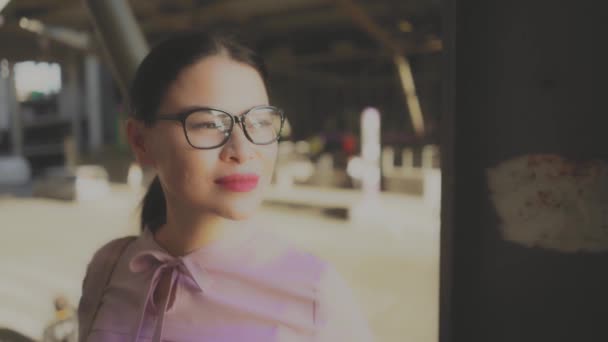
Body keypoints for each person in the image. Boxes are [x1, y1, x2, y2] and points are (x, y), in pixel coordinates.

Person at [77, 31, 374, 342]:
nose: (243, 150)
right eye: (208, 123)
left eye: (259, 121)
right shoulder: (109, 268)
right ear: (140, 141)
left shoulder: (314, 294)